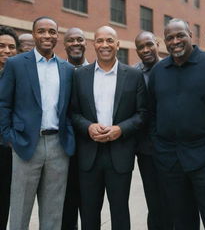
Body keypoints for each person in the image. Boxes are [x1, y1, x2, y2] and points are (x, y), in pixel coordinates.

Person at [148, 18, 205, 230]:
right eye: (170, 38)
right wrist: (159, 148)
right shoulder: (159, 71)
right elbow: (151, 114)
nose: (175, 41)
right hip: (170, 162)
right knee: (181, 223)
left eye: (180, 35)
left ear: (191, 36)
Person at [0, 16, 75, 230]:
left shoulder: (67, 69)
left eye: (52, 32)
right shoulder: (16, 64)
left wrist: (67, 135)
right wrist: (9, 137)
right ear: (34, 35)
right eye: (42, 31)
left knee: (53, 211)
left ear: (57, 36)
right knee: (20, 210)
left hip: (58, 145)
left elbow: (70, 108)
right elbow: (3, 103)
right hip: (25, 144)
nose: (47, 36)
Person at [71, 26, 147, 230]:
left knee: (120, 211)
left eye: (109, 40)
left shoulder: (133, 75)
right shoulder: (79, 75)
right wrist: (88, 127)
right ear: (93, 44)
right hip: (88, 154)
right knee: (88, 211)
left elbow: (143, 114)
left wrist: (120, 129)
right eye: (100, 40)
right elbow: (72, 113)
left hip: (120, 154)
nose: (105, 45)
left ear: (117, 44)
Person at [134, 31, 172, 229]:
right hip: (146, 150)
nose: (146, 50)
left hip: (173, 147)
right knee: (154, 202)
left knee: (174, 199)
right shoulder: (134, 73)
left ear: (157, 44)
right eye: (141, 47)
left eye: (149, 44)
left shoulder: (172, 67)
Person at [62, 27, 88, 230]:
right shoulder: (58, 70)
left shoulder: (97, 71)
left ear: (86, 43)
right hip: (63, 149)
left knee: (90, 204)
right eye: (70, 40)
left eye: (79, 39)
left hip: (92, 148)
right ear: (65, 45)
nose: (75, 43)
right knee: (66, 204)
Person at [0, 25, 19, 230]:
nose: (7, 50)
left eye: (12, 47)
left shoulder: (17, 76)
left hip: (8, 150)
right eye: (1, 46)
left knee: (4, 201)